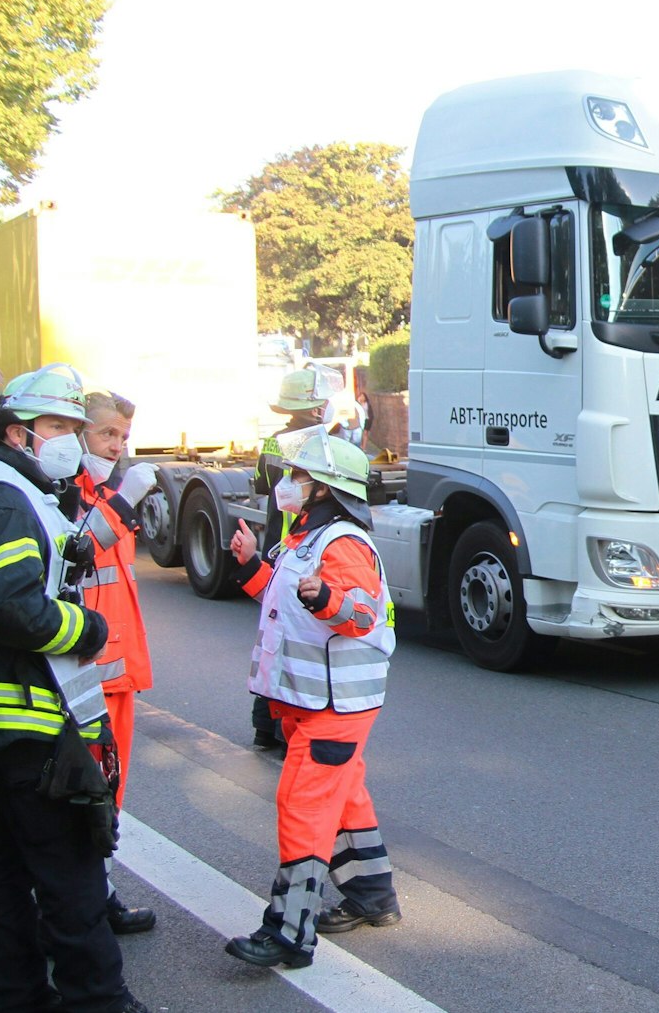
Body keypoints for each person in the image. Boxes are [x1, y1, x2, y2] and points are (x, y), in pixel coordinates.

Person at [0, 363, 147, 1013]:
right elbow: (12, 608)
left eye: (75, 426)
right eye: (58, 426)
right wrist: (89, 628)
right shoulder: (2, 496)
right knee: (71, 877)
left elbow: (42, 569)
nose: (69, 438)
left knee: (5, 874)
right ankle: (97, 1001)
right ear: (18, 433)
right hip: (27, 721)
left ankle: (16, 999)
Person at [223, 433, 400, 969]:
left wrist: (329, 599)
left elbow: (362, 615)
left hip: (335, 704)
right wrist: (253, 565)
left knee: (302, 806)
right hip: (315, 702)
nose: (289, 483)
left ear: (324, 490)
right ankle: (372, 897)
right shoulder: (307, 540)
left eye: (300, 476)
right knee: (343, 799)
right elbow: (284, 607)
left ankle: (289, 932)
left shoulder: (341, 543)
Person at [75, 390, 162, 935]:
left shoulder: (106, 490)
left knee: (110, 791)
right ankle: (81, 903)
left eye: (123, 438)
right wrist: (122, 502)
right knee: (82, 794)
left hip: (115, 673)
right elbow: (75, 552)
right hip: (83, 675)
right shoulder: (66, 492)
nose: (117, 446)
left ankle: (97, 888)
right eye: (108, 435)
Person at [249, 365, 344, 752]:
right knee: (301, 642)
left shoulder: (272, 443)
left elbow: (260, 485)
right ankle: (291, 727)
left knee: (273, 638)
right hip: (308, 546)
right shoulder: (318, 446)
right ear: (315, 409)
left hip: (277, 549)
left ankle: (263, 727)